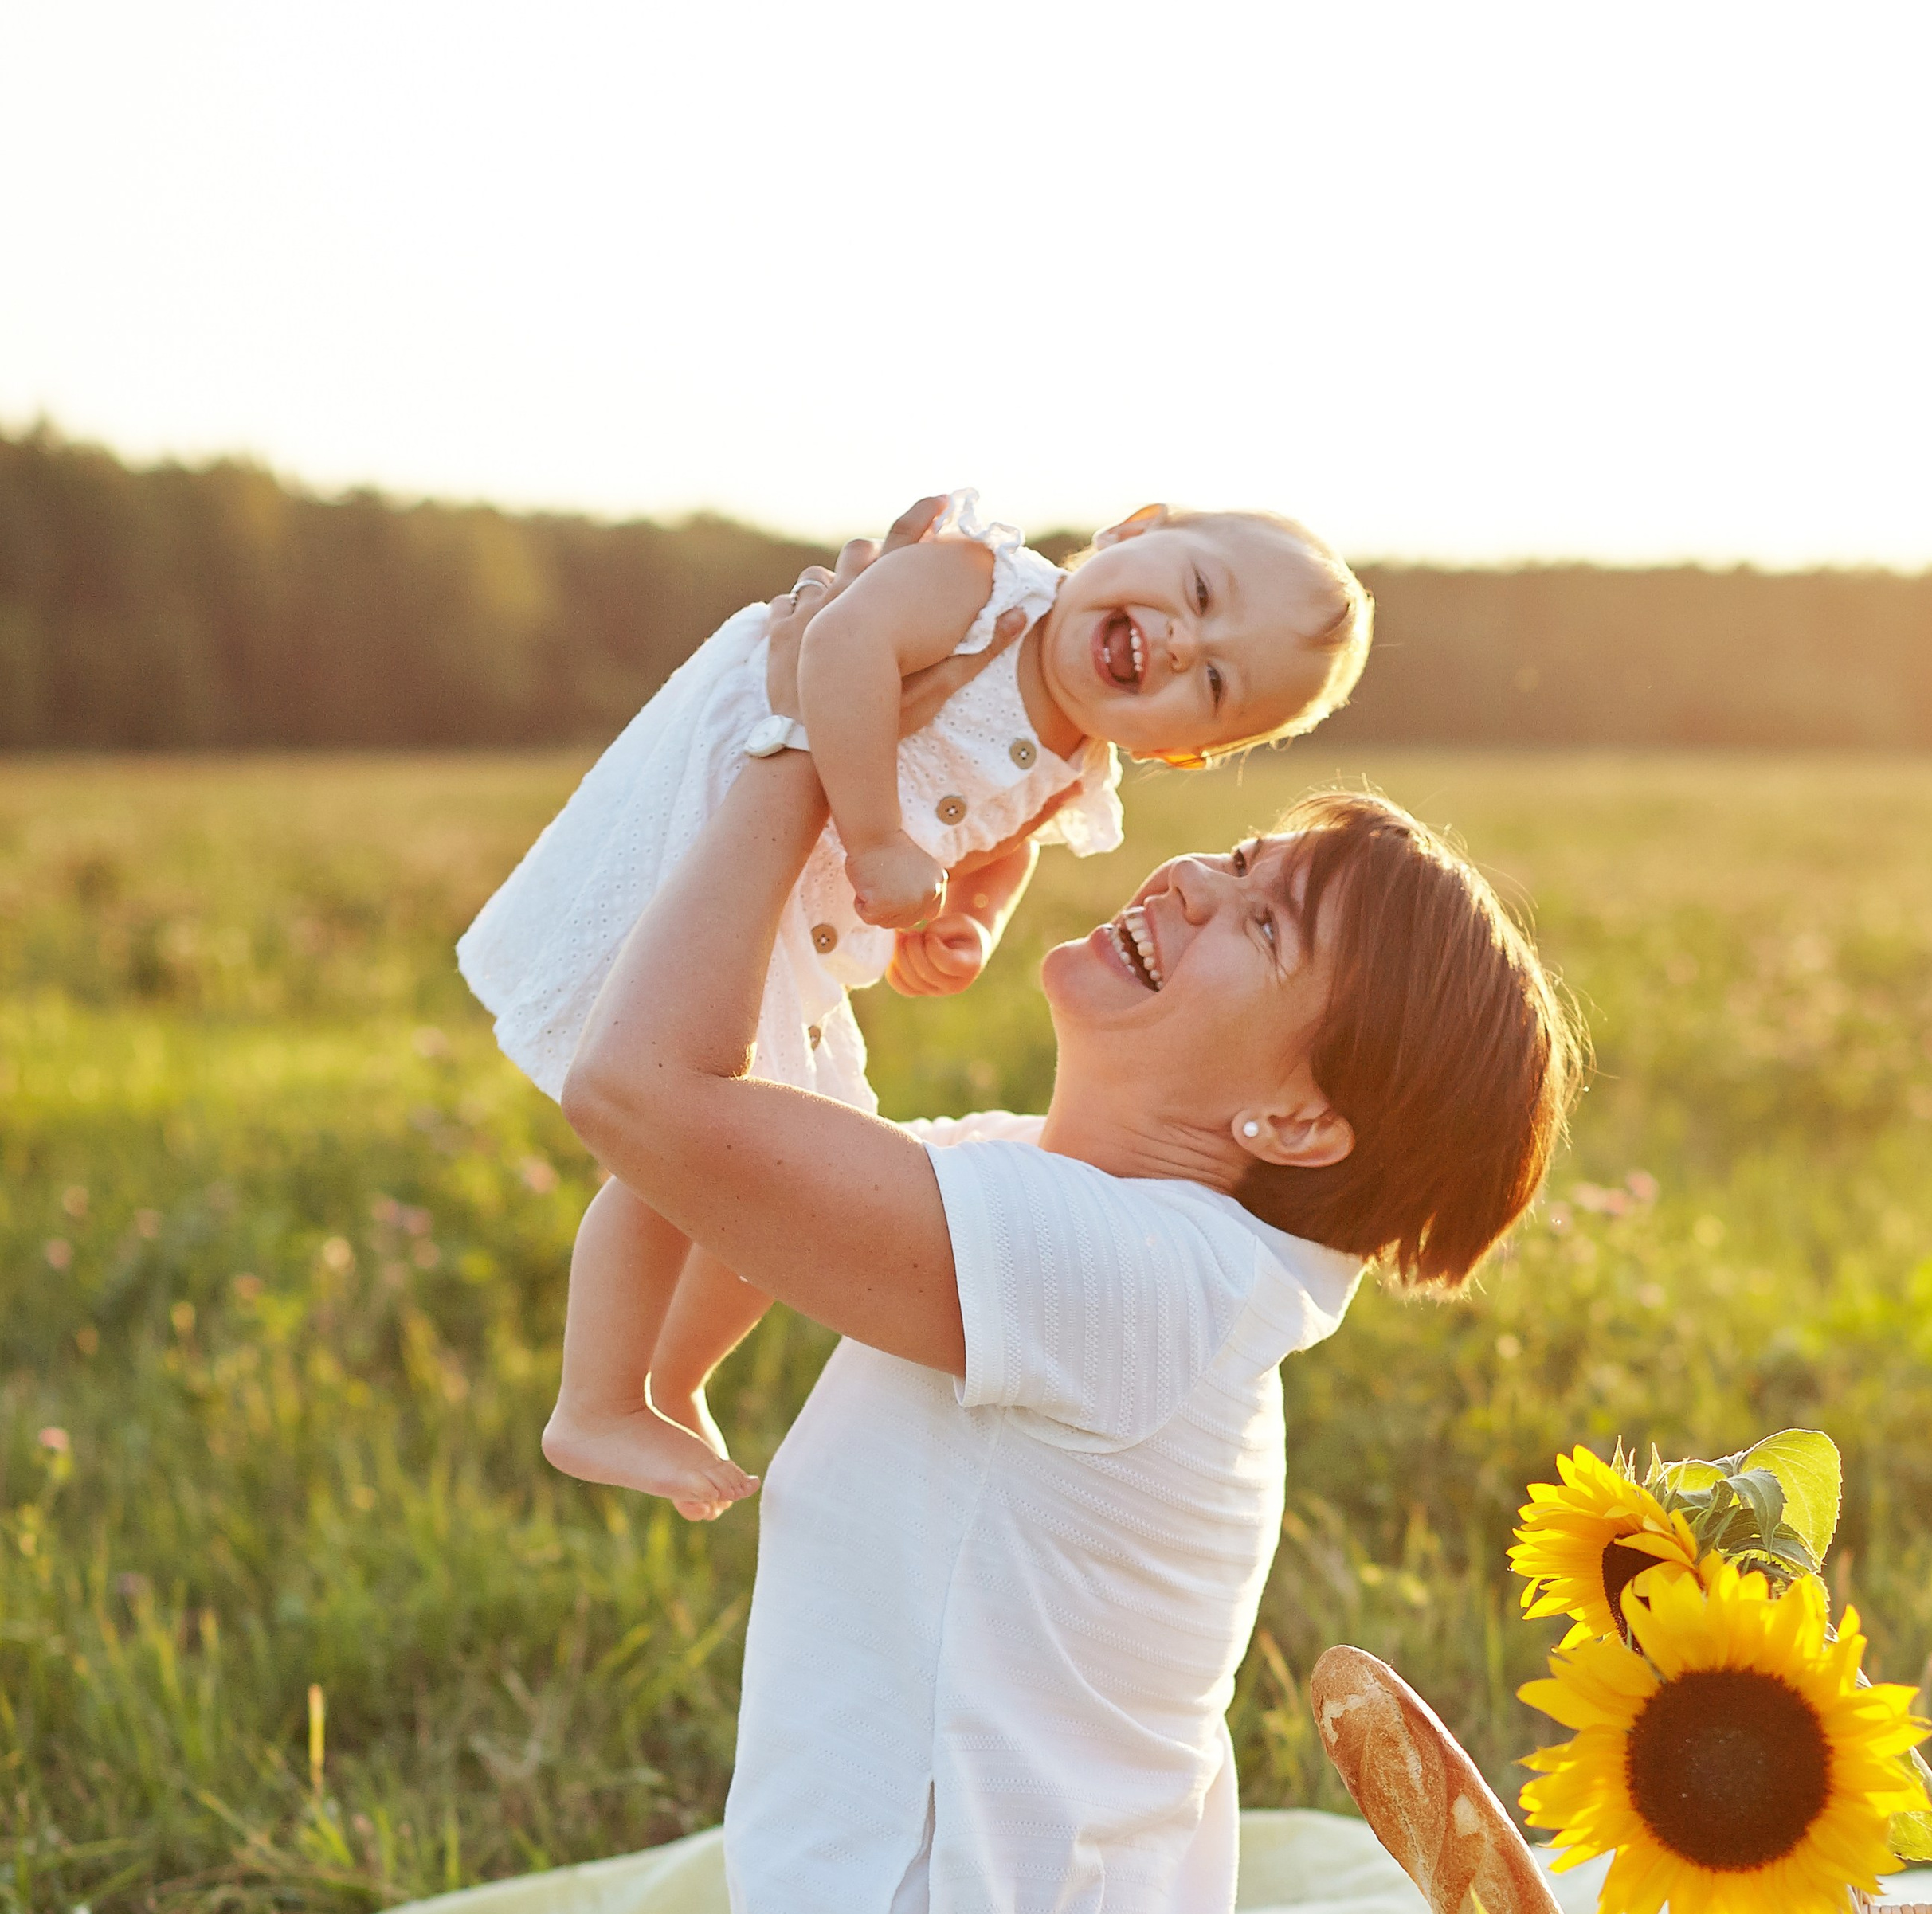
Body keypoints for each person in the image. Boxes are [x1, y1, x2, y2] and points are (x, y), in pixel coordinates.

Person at [205, 521, 1582, 1914]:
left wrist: (798, 714)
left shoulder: (1125, 1279)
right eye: (1233, 856)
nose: (1189, 875)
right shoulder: (1073, 1214)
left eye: (1260, 917)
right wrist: (892, 862)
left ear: (1297, 1112)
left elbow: (644, 1094)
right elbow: (737, 1129)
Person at [457, 491, 1373, 1518]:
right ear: (1134, 531)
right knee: (693, 1130)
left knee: (792, 1153)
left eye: (1211, 681)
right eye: (1196, 591)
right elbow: (838, 648)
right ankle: (597, 1400)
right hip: (724, 808)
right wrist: (879, 833)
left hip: (791, 906)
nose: (1174, 641)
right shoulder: (986, 590)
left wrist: (966, 920)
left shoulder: (1077, 768)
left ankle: (671, 1380)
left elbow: (1003, 844)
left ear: (1186, 754)